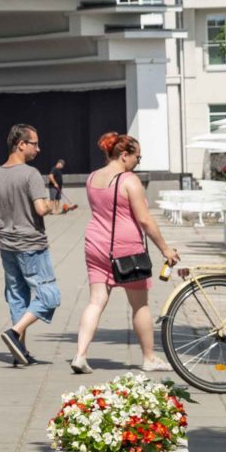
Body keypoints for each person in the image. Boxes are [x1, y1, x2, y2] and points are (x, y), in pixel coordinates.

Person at [69, 131, 182, 375]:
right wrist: (165, 249)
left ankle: (80, 355)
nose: (137, 163)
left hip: (96, 244)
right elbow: (144, 219)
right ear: (123, 155)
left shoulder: (92, 178)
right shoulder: (128, 180)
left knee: (96, 301)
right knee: (140, 305)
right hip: (126, 250)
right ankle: (149, 357)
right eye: (137, 158)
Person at [0, 123, 78, 367]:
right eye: (34, 143)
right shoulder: (30, 174)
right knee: (50, 296)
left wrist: (1, 239)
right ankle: (14, 333)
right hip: (32, 246)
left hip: (7, 245)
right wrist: (53, 206)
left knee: (18, 298)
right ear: (21, 144)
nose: (38, 148)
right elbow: (41, 208)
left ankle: (20, 351)